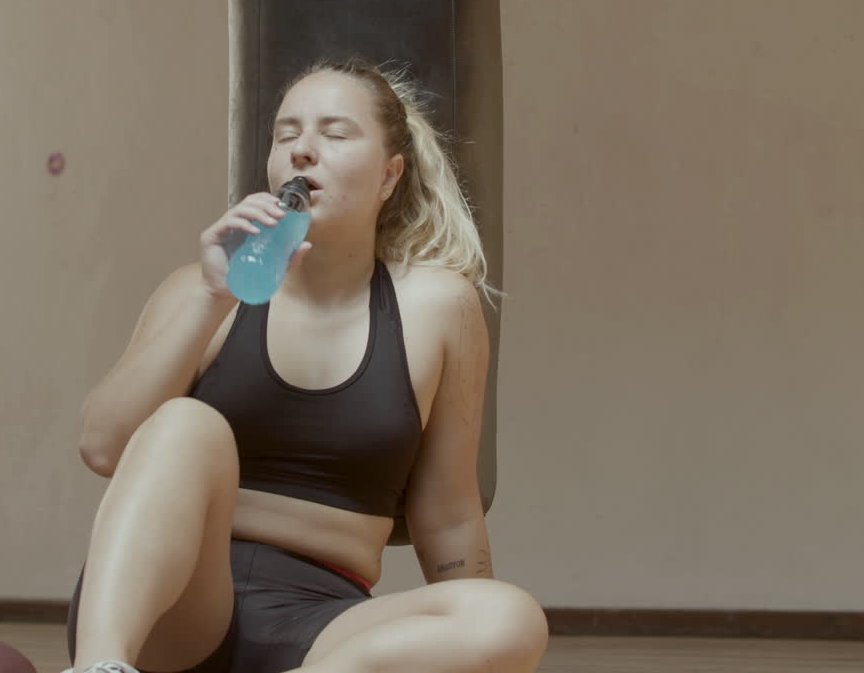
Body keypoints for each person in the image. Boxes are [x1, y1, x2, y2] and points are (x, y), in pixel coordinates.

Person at [66, 57, 548, 673]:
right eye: (287, 135)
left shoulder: (439, 306)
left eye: (335, 133)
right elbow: (104, 447)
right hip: (171, 613)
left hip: (323, 629)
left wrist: (467, 620)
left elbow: (449, 514)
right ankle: (100, 669)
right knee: (187, 424)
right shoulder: (201, 290)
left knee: (507, 616)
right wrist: (214, 298)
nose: (303, 151)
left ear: (389, 175)